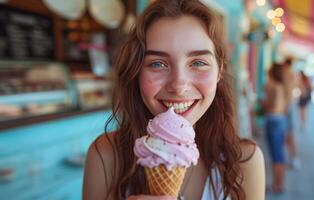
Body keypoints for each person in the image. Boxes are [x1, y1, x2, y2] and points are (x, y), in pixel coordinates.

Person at [82, 1, 265, 200]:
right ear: (137, 71)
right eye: (158, 63)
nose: (178, 86)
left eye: (198, 63)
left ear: (219, 70)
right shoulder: (106, 156)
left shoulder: (245, 162)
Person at [261, 63, 287, 193]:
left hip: (274, 122)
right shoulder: (280, 86)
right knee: (278, 154)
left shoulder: (275, 86)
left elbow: (273, 107)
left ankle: (278, 185)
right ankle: (278, 184)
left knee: (276, 155)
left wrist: (262, 103)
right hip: (279, 121)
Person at [281, 57, 300, 169]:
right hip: (291, 106)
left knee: (288, 135)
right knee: (291, 134)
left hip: (284, 107)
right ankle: (294, 158)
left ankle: (292, 158)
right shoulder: (293, 74)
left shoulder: (284, 74)